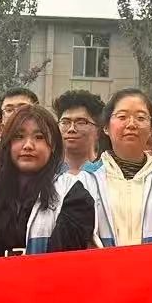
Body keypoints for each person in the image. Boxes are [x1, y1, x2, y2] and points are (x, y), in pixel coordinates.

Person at [0, 105, 96, 257]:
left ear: (53, 145)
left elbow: (66, 260)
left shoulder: (72, 194)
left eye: (39, 137)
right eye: (19, 136)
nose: (28, 146)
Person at [96, 88, 152, 246]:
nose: (131, 124)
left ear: (151, 127)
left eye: (140, 117)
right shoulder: (89, 179)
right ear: (106, 127)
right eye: (122, 117)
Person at [53, 90, 110, 238]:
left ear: (99, 130)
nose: (71, 129)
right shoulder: (47, 175)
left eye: (81, 122)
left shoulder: (109, 173)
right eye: (65, 122)